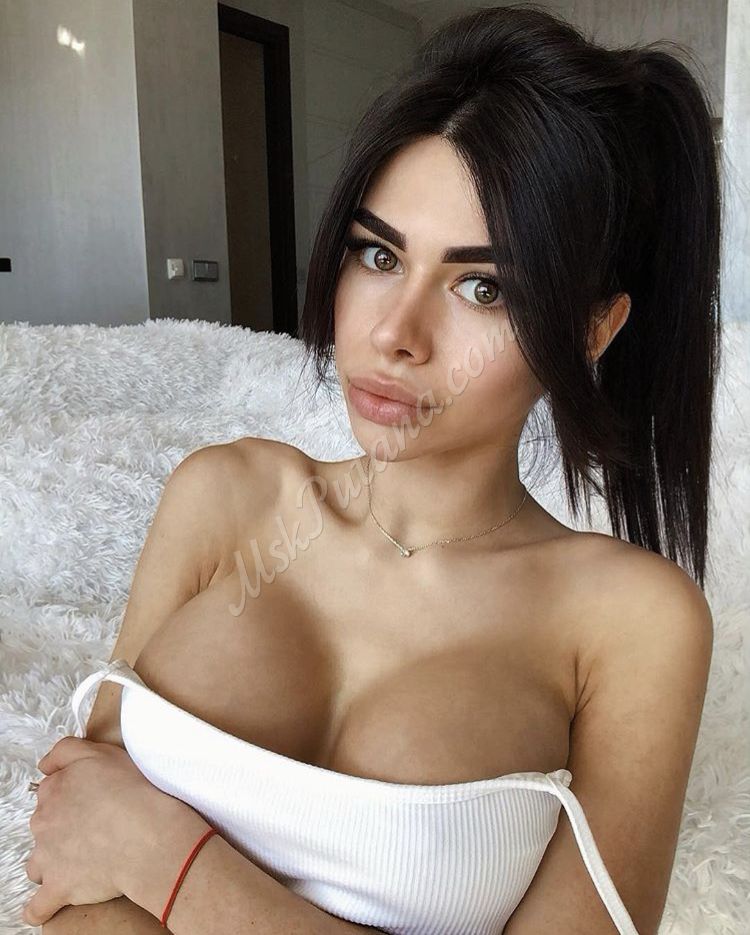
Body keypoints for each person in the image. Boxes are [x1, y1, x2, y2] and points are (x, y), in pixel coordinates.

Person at [38, 4, 718, 933]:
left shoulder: (632, 621)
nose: (395, 333)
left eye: (483, 287)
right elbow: (74, 828)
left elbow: (118, 838)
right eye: (378, 253)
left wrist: (169, 861)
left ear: (593, 329)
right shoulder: (224, 495)